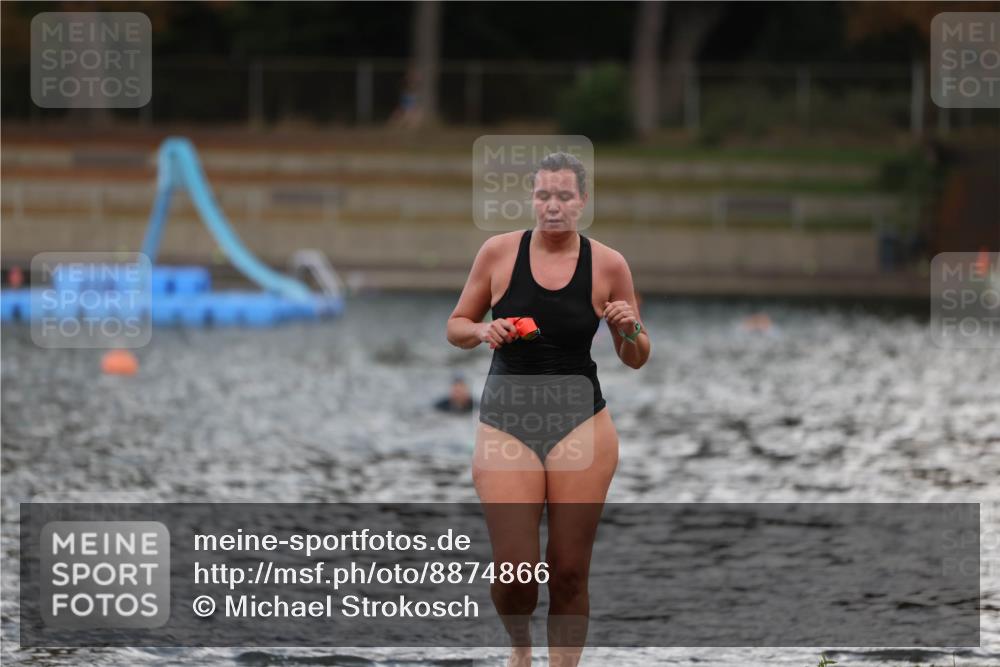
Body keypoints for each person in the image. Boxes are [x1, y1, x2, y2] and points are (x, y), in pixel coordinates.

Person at [446, 152, 650, 667]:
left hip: (582, 421)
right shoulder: (497, 253)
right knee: (515, 574)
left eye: (564, 196)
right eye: (543, 196)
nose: (553, 206)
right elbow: (456, 325)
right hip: (506, 423)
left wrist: (628, 329)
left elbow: (637, 357)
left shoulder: (609, 264)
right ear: (532, 199)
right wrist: (481, 329)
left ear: (582, 201)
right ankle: (520, 648)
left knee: (567, 572)